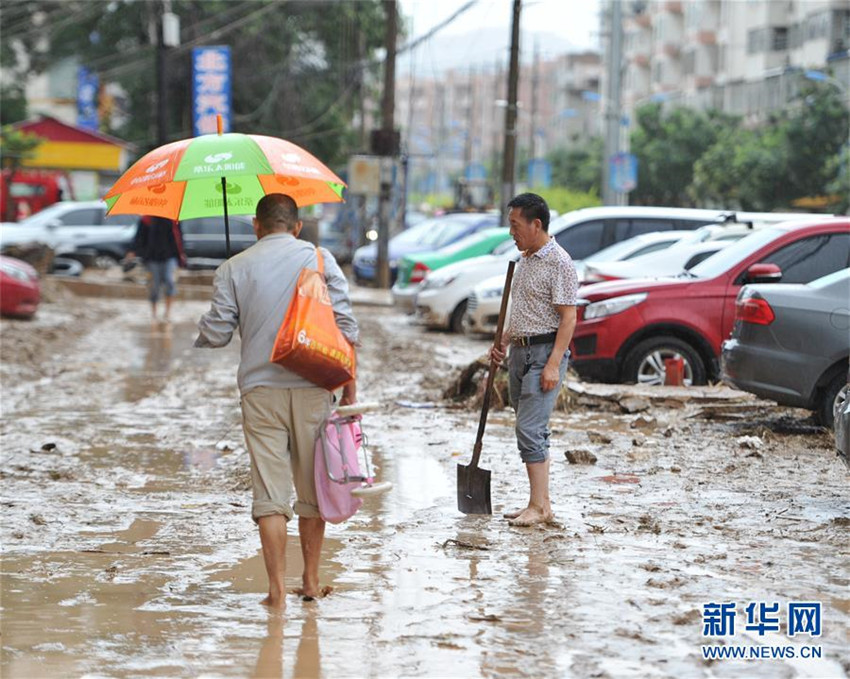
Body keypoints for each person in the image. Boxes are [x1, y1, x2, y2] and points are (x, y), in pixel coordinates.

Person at [194, 193, 359, 608]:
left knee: (270, 493)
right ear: (297, 226)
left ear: (256, 225)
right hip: (315, 387)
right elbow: (347, 328)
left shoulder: (235, 267)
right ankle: (310, 579)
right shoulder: (320, 260)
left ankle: (275, 591)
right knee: (312, 490)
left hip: (259, 391)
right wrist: (350, 386)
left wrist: (213, 313)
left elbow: (216, 334)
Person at [490, 193, 578, 527]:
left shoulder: (559, 262)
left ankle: (540, 509)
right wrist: (502, 341)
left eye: (515, 225)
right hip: (520, 353)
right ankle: (540, 504)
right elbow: (524, 312)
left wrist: (554, 363)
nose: (511, 232)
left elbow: (568, 318)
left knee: (529, 428)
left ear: (535, 224)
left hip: (543, 354)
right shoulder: (525, 260)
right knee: (530, 427)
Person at [127, 215, 185, 324]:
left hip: (170, 257)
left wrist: (181, 255)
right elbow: (139, 237)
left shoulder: (173, 219)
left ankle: (167, 313)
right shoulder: (146, 220)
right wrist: (133, 250)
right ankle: (154, 314)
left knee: (170, 281)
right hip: (152, 258)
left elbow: (179, 237)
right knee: (154, 285)